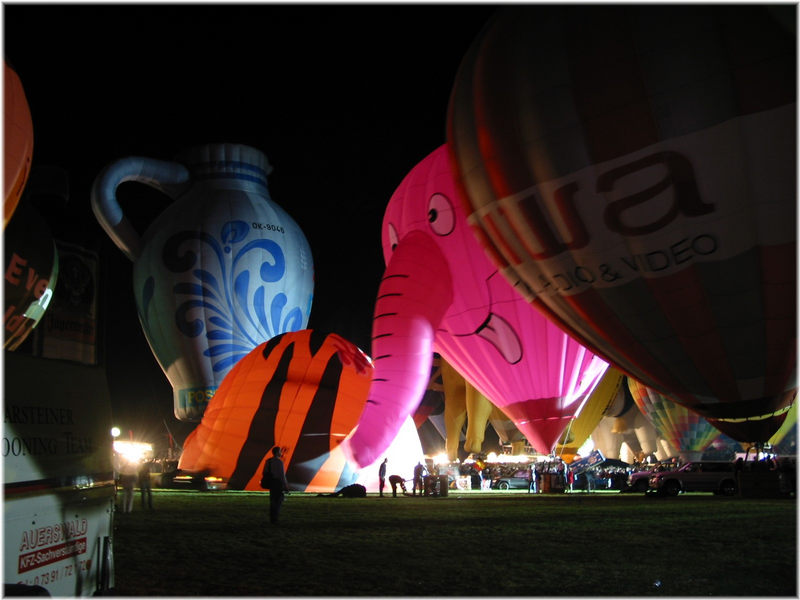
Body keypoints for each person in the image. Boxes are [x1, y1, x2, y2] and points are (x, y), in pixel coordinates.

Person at [262, 446, 290, 524]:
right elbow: (282, 475)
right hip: (278, 483)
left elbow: (264, 472)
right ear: (278, 452)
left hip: (272, 482)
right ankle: (275, 518)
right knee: (278, 501)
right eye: (280, 451)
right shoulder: (279, 462)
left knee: (272, 500)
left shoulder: (268, 461)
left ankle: (272, 518)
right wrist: (286, 485)